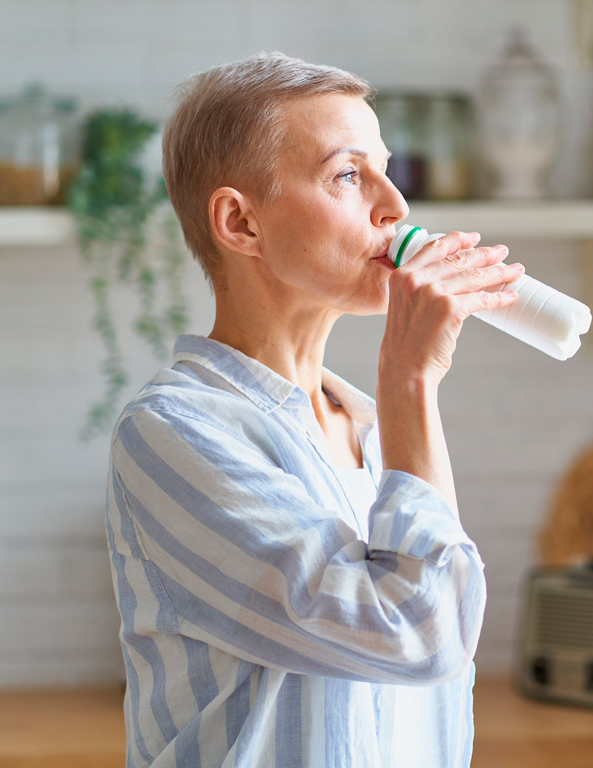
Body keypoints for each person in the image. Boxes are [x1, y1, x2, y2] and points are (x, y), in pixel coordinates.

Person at [104, 51, 524, 767]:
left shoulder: (376, 434)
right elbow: (419, 634)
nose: (396, 205)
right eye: (348, 175)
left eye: (385, 169)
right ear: (240, 222)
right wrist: (410, 378)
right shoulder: (173, 433)